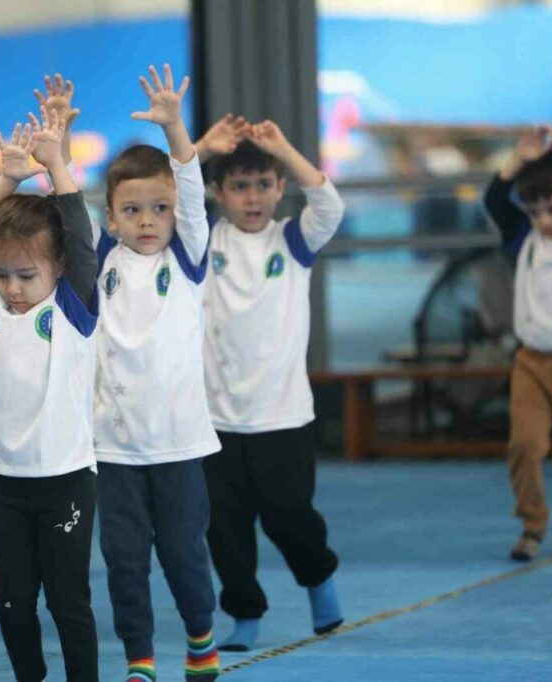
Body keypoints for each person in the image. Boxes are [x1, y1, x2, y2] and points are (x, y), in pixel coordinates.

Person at [0, 106, 100, 682]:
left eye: (26, 276)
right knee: (12, 604)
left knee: (68, 601)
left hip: (65, 481)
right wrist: (7, 179)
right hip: (9, 485)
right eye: (3, 274)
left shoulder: (71, 308)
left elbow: (81, 239)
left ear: (58, 268)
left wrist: (58, 167)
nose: (12, 288)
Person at [89, 64, 220, 682]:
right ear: (111, 217)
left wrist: (175, 130)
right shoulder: (100, 261)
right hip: (113, 446)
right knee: (123, 559)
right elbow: (66, 209)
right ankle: (138, 658)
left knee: (182, 554)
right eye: (133, 210)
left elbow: (190, 189)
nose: (148, 220)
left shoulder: (188, 259)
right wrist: (57, 156)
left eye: (160, 208)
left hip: (178, 444)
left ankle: (200, 635)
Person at [196, 115, 346, 651]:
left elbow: (330, 205)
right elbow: (167, 194)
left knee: (289, 519)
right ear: (217, 193)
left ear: (281, 187)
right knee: (225, 529)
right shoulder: (200, 243)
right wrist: (200, 147)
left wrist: (282, 147)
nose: (253, 197)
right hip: (215, 421)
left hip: (283, 417)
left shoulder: (293, 241)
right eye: (239, 186)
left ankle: (319, 580)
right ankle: (245, 614)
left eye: (263, 184)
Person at [482, 125, 552, 562]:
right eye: (536, 212)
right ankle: (532, 525)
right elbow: (494, 200)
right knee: (525, 444)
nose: (545, 222)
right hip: (532, 362)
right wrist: (520, 160)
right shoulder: (524, 238)